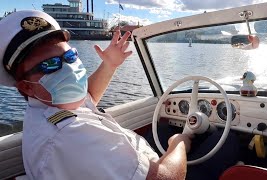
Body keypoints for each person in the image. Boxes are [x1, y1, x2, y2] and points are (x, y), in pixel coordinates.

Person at [0, 10, 192, 180]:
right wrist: (179, 143)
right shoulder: (71, 135)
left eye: (70, 57)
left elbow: (86, 98)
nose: (68, 68)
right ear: (26, 87)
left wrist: (109, 64)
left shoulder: (49, 106)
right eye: (50, 65)